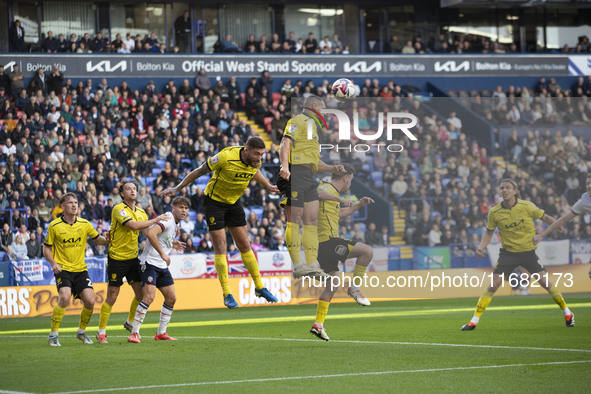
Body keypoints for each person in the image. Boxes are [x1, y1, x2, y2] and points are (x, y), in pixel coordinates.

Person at [162, 136, 279, 308]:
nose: (259, 158)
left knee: (245, 244)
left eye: (261, 155)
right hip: (214, 202)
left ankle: (259, 286)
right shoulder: (226, 156)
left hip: (233, 202)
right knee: (221, 246)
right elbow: (199, 171)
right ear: (246, 149)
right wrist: (178, 188)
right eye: (256, 154)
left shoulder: (256, 162)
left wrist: (268, 186)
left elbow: (255, 172)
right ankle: (227, 293)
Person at [461, 179, 574, 331]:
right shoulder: (494, 212)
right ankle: (473, 321)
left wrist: (557, 225)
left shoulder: (527, 206)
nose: (504, 190)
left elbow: (545, 217)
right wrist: (481, 248)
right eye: (502, 188)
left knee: (545, 283)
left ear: (515, 191)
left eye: (507, 188)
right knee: (494, 285)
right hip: (508, 253)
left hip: (528, 252)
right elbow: (489, 232)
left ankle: (567, 313)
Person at [277, 95, 345, 279]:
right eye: (323, 109)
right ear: (315, 106)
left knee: (312, 220)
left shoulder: (313, 128)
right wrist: (284, 166)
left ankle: (312, 264)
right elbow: (285, 142)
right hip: (294, 173)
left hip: (308, 176)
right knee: (295, 219)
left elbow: (313, 161)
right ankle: (298, 266)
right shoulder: (298, 120)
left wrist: (332, 168)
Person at [96, 180, 169, 344]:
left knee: (141, 294)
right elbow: (133, 226)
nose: (132, 191)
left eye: (135, 188)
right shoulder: (118, 209)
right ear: (122, 193)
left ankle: (130, 322)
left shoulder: (142, 212)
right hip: (116, 259)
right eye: (128, 189)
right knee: (112, 297)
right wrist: (156, 219)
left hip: (133, 259)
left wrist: (170, 242)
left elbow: (150, 234)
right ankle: (101, 332)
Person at [310, 165, 375, 341]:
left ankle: (318, 324)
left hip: (322, 247)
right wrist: (338, 198)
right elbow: (315, 194)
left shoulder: (331, 193)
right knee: (367, 252)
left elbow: (337, 214)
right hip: (327, 241)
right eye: (351, 180)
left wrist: (358, 205)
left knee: (334, 281)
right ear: (345, 177)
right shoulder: (327, 187)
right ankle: (354, 288)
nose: (350, 183)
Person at [44, 193, 110, 346]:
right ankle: (53, 335)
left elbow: (98, 239)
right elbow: (46, 249)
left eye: (76, 202)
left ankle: (81, 332)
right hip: (63, 269)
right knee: (65, 297)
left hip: (80, 269)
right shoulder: (54, 226)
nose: (74, 205)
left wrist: (107, 240)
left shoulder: (85, 224)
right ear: (63, 206)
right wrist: (53, 263)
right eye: (70, 203)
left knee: (90, 301)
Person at [128, 196, 189, 343]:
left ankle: (161, 333)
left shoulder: (174, 223)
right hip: (149, 263)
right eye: (181, 207)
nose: (184, 211)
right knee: (148, 297)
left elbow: (160, 237)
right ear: (173, 208)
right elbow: (151, 233)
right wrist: (163, 253)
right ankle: (134, 333)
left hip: (161, 265)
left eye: (186, 208)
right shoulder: (168, 218)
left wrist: (171, 244)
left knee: (171, 298)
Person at [533, 173, 591, 279]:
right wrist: (542, 234)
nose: (589, 186)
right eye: (588, 183)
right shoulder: (584, 201)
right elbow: (562, 220)